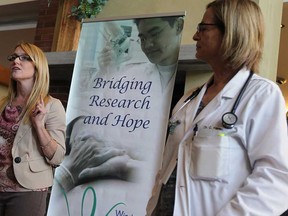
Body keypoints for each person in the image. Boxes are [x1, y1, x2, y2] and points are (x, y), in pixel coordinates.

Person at [146, 0, 288, 215]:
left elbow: (276, 179)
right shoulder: (189, 99)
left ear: (232, 32)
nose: (195, 36)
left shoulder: (260, 95)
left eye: (203, 29)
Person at [0, 42, 66, 216]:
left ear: (38, 66)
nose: (16, 61)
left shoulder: (52, 106)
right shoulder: (2, 104)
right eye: (14, 57)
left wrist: (38, 125)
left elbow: (57, 157)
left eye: (24, 58)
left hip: (27, 191)